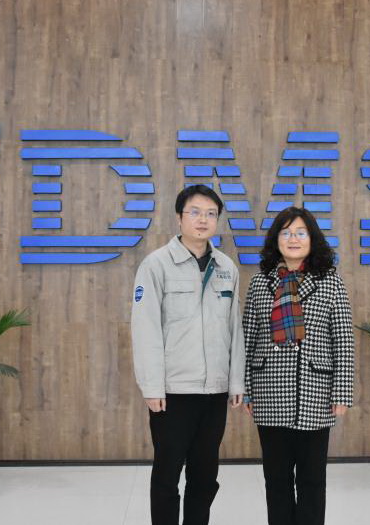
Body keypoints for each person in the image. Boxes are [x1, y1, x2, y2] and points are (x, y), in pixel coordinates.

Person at [131, 184, 245, 525]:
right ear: (179, 218)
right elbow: (145, 329)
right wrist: (152, 386)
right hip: (173, 392)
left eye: (211, 214)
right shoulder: (156, 265)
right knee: (167, 476)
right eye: (195, 212)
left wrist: (236, 381)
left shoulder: (226, 267)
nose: (203, 219)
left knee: (205, 476)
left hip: (214, 392)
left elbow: (234, 329)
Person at [242, 206, 355, 525]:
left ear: (312, 239)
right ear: (276, 239)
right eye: (286, 232)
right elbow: (247, 338)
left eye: (301, 233)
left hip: (315, 392)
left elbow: (343, 339)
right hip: (269, 391)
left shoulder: (330, 282)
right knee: (276, 480)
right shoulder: (260, 282)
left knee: (312, 480)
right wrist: (246, 389)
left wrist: (342, 392)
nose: (293, 239)